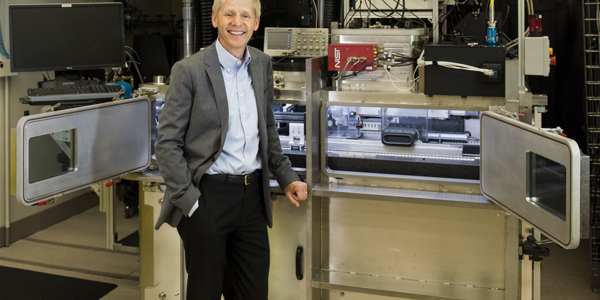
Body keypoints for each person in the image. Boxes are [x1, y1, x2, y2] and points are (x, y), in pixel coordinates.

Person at [154, 0, 308, 299]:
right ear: (214, 19)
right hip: (208, 197)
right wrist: (190, 202)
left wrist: (287, 176)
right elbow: (167, 143)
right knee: (206, 291)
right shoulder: (189, 70)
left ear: (256, 24)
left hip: (251, 200)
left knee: (252, 292)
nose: (237, 22)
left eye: (245, 16)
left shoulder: (261, 63)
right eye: (229, 14)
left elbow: (268, 130)